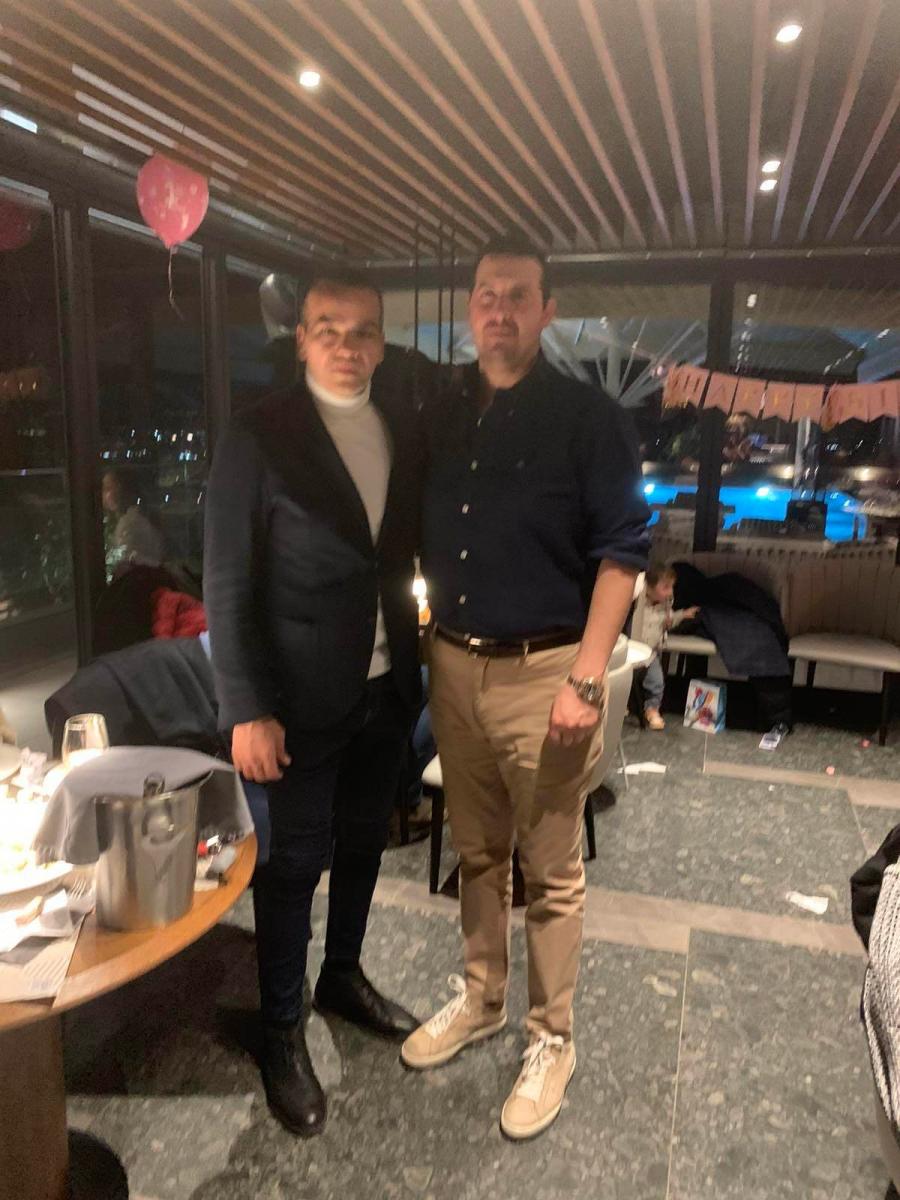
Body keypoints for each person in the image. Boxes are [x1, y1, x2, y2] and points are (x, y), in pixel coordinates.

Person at [401, 236, 650, 1139]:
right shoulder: (441, 413)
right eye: (485, 294)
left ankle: (553, 1037)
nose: (498, 309)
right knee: (476, 855)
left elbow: (623, 552)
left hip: (548, 672)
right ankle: (482, 999)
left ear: (548, 310)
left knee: (550, 871)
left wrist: (588, 678)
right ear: (470, 308)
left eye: (516, 295)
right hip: (452, 665)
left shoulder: (588, 419)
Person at [203, 270, 423, 1138]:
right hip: (293, 704)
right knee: (292, 866)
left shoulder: (397, 425)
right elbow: (226, 584)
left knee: (364, 842)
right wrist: (244, 708)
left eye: (362, 330)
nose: (345, 345)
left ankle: (343, 975)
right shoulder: (258, 434)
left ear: (381, 342)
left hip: (383, 689)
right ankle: (281, 1028)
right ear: (300, 338)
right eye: (327, 328)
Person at [630, 564, 699, 730]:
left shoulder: (665, 604)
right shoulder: (637, 602)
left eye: (671, 587)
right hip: (633, 648)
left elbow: (668, 621)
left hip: (651, 652)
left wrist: (682, 615)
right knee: (628, 679)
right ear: (649, 587)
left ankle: (652, 709)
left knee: (656, 682)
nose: (670, 592)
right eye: (665, 587)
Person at [102, 469, 164, 576]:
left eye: (108, 488)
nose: (104, 494)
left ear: (122, 491)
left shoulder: (131, 523)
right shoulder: (128, 520)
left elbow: (126, 565)